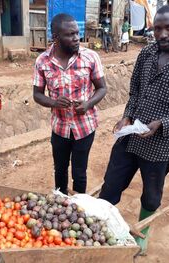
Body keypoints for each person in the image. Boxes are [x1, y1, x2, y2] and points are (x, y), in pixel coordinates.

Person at [98, 5, 169, 254]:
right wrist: (127, 117)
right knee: (110, 188)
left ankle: (141, 240)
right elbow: (135, 92)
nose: (162, 34)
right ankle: (101, 233)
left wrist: (164, 124)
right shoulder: (146, 54)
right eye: (158, 28)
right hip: (130, 139)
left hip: (162, 146)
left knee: (151, 197)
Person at [33, 13, 107, 195]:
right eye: (70, 34)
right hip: (59, 128)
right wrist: (54, 103)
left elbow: (102, 88)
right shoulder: (42, 61)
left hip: (85, 127)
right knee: (60, 170)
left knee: (80, 173)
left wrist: (88, 104)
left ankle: (79, 205)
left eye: (77, 33)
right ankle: (61, 203)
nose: (77, 38)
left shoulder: (90, 57)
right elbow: (37, 95)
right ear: (56, 38)